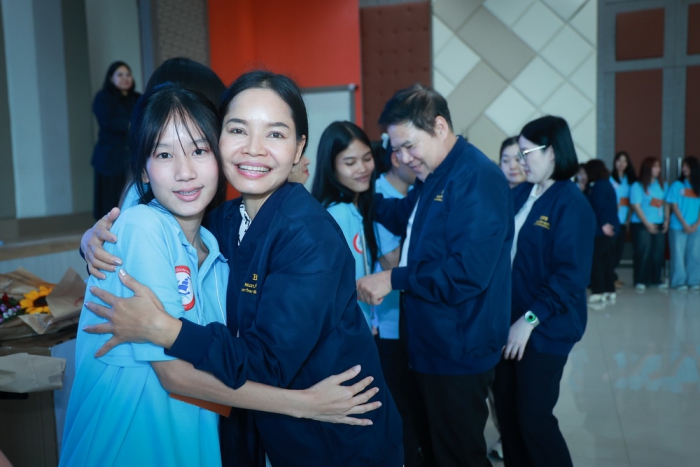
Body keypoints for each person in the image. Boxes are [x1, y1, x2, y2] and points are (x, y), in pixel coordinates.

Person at [81, 71, 403, 467]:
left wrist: (165, 329)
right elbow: (161, 229)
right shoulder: (225, 222)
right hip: (274, 435)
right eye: (238, 130)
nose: (254, 149)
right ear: (219, 139)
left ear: (299, 148)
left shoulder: (309, 235)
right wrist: (95, 239)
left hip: (338, 438)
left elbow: (266, 362)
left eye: (275, 134)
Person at [357, 84, 513, 467]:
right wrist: (355, 192)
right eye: (396, 149)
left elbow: (467, 272)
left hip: (458, 345)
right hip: (429, 342)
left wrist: (392, 279)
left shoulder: (476, 178)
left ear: (439, 127)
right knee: (433, 450)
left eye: (409, 146)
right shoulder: (433, 175)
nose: (402, 158)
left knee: (458, 455)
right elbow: (402, 215)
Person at [493, 116, 595, 467]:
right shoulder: (522, 193)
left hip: (545, 328)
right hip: (509, 325)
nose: (521, 161)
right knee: (508, 415)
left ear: (552, 152)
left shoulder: (571, 204)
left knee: (534, 419)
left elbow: (570, 276)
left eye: (527, 153)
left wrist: (529, 320)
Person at [311, 121, 380, 328]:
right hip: (347, 331)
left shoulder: (356, 207)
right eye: (350, 163)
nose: (362, 169)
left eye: (367, 158)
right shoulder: (338, 213)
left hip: (360, 326)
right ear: (331, 167)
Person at [91, 61, 141, 219]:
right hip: (110, 158)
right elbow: (107, 122)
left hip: (132, 158)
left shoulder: (138, 98)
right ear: (111, 78)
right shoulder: (103, 97)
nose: (125, 78)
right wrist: (130, 125)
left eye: (128, 74)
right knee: (110, 200)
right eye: (120, 75)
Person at [584, 159, 620, 302]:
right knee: (607, 260)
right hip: (612, 228)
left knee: (597, 260)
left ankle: (598, 291)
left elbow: (598, 207)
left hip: (602, 230)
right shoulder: (607, 184)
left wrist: (604, 224)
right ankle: (610, 290)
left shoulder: (598, 186)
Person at [630, 157, 669, 290]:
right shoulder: (637, 185)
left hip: (659, 222)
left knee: (658, 252)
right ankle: (640, 280)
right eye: (655, 166)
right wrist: (647, 224)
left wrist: (666, 220)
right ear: (647, 168)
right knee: (643, 251)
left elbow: (665, 204)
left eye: (658, 166)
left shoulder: (662, 185)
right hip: (641, 224)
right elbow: (636, 206)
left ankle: (656, 279)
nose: (658, 169)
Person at [665, 156, 700, 290]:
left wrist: (696, 224)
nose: (684, 169)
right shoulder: (677, 185)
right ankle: (679, 281)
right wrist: (684, 224)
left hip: (696, 227)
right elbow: (674, 206)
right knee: (678, 255)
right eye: (683, 166)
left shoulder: (698, 187)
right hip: (678, 226)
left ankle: (694, 280)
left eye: (687, 166)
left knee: (695, 254)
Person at [610, 151, 636, 287]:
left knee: (619, 251)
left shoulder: (630, 180)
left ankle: (612, 276)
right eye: (619, 160)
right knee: (611, 251)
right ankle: (610, 277)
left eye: (624, 161)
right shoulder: (610, 179)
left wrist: (629, 218)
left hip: (624, 221)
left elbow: (633, 201)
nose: (621, 163)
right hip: (612, 220)